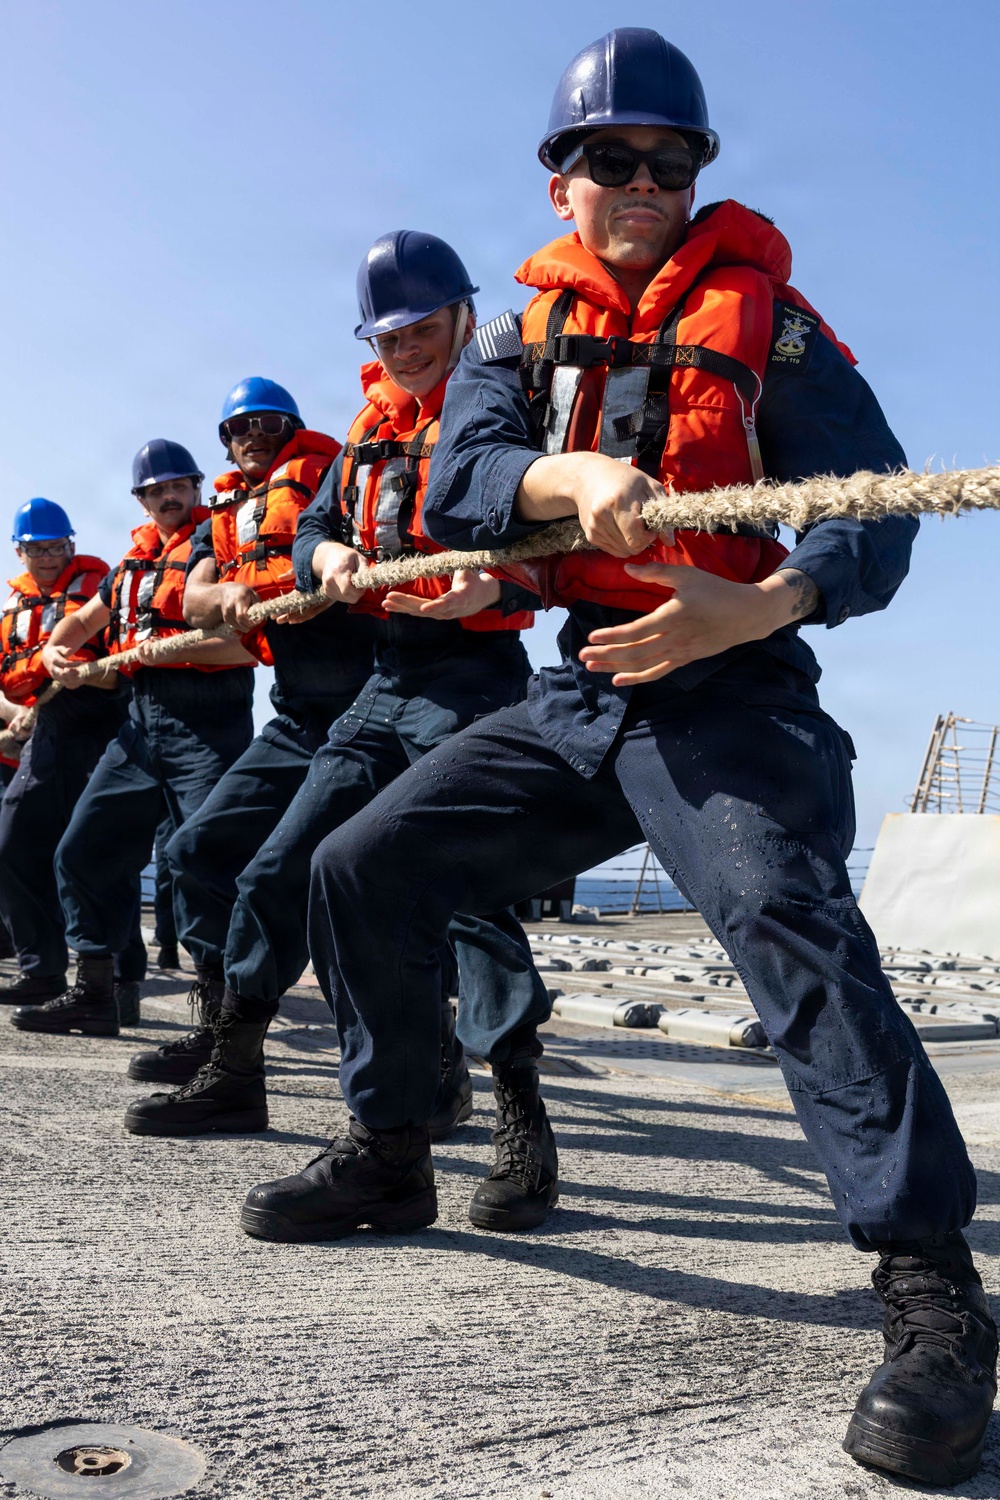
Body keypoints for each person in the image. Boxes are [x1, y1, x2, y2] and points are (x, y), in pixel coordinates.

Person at [248, 28, 997, 1489]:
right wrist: (569, 475)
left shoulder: (772, 326)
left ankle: (934, 1299)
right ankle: (395, 1151)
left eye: (672, 161)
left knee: (783, 917)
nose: (642, 183)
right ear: (560, 183)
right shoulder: (519, 347)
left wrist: (765, 599)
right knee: (359, 865)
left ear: (698, 175)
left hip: (733, 680)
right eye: (611, 159)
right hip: (581, 688)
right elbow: (464, 483)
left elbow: (880, 507)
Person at [124, 233, 549, 1164]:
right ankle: (235, 1068)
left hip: (470, 682)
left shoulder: (511, 412)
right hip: (384, 679)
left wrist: (502, 588)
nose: (405, 352)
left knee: (468, 895)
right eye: (388, 339)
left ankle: (519, 1111)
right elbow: (317, 523)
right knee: (284, 868)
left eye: (422, 330)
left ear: (464, 317)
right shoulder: (369, 428)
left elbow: (555, 546)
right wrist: (328, 556)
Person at [123, 379, 379, 1087]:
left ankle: (436, 1063)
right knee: (194, 850)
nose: (252, 435)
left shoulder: (332, 478)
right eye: (237, 429)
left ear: (292, 427)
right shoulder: (224, 515)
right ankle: (217, 1029)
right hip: (298, 716)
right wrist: (226, 594)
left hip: (373, 703)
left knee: (369, 879)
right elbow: (194, 591)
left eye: (267, 423)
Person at [9, 441, 256, 1038]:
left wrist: (163, 653)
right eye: (156, 490)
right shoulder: (130, 565)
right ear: (142, 500)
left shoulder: (224, 547)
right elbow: (85, 620)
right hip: (139, 723)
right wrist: (54, 648)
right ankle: (97, 992)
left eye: (179, 486)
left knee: (202, 857)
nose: (169, 497)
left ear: (197, 487)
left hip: (208, 719)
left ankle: (224, 1014)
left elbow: (248, 643)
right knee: (83, 849)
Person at [0, 498, 146, 1007]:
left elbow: (125, 658)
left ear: (72, 546)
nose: (46, 557)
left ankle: (122, 979)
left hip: (105, 726)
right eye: (36, 549)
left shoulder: (100, 593)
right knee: (12, 843)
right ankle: (41, 970)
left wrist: (90, 673)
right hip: (48, 733)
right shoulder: (17, 608)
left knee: (102, 851)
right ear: (19, 553)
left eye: (56, 547)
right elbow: (12, 679)